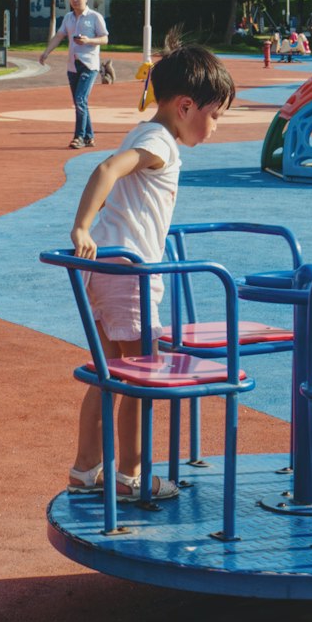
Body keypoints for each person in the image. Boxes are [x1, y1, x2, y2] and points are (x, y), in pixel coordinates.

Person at [66, 43, 236, 502]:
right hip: (129, 275)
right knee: (143, 381)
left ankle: (86, 469)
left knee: (110, 375)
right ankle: (131, 477)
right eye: (215, 114)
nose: (215, 126)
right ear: (185, 106)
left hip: (107, 270)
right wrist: (81, 224)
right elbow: (106, 168)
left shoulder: (147, 133)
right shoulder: (158, 141)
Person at [38, 0, 109, 149]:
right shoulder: (68, 18)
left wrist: (88, 41)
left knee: (80, 100)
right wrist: (46, 52)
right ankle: (89, 136)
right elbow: (59, 35)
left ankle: (79, 137)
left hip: (89, 65)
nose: (75, 0)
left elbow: (105, 39)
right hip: (72, 66)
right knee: (80, 102)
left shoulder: (95, 17)